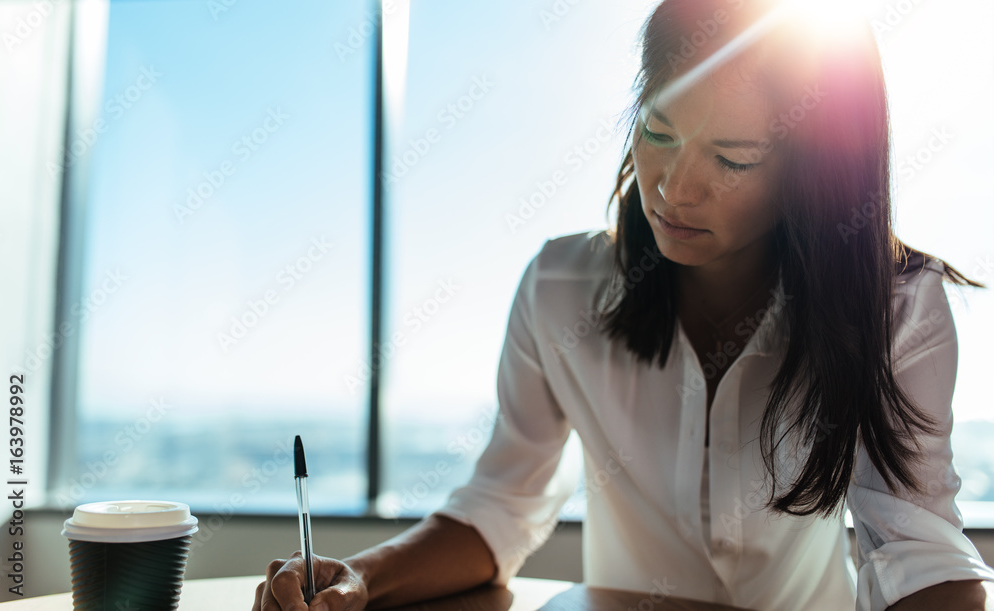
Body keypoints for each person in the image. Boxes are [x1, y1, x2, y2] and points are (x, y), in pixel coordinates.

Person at [253, 0, 994, 609]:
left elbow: (917, 546)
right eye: (658, 130)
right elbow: (502, 504)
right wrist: (363, 576)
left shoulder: (896, 308)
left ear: (816, 171)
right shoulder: (558, 286)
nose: (673, 187)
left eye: (731, 158)